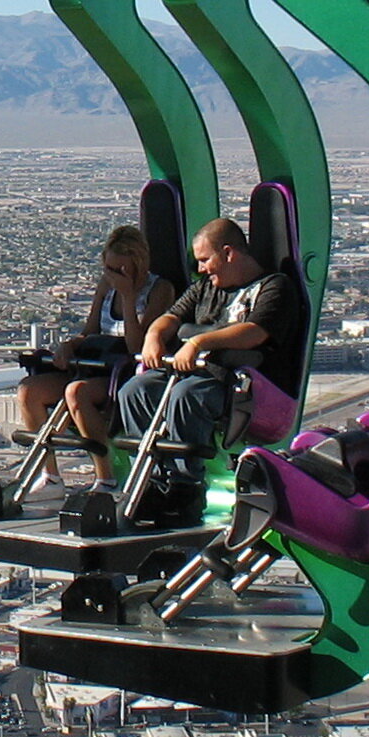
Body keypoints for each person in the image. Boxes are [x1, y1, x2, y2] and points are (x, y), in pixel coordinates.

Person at [114, 215, 301, 517]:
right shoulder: (205, 289)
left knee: (188, 395)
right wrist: (154, 335)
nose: (201, 269)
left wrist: (199, 343)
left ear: (229, 253)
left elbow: (255, 332)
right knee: (136, 390)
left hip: (238, 382)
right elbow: (172, 317)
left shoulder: (274, 288)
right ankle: (150, 476)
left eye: (205, 260)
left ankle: (185, 485)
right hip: (192, 372)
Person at [18, 222, 172, 487]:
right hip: (93, 362)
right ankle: (50, 475)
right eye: (109, 269)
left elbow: (138, 347)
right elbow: (91, 330)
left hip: (124, 371)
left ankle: (105, 475)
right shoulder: (106, 286)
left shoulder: (160, 290)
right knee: (29, 390)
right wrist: (70, 345)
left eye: (120, 270)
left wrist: (127, 297)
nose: (113, 275)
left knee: (77, 392)